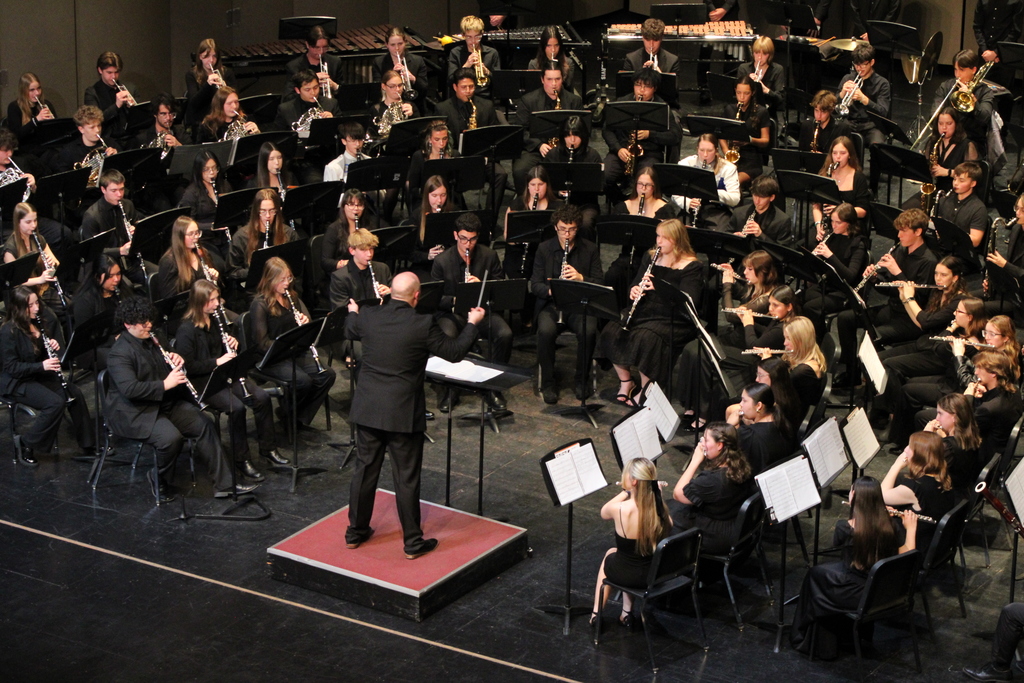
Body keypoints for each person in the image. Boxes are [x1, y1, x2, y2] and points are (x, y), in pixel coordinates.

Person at [344, 272, 485, 558]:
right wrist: (472, 323)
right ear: (416, 296)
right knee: (406, 477)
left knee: (364, 470)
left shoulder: (368, 316)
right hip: (402, 412)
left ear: (390, 293)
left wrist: (353, 311)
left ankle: (355, 532)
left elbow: (351, 329)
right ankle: (412, 542)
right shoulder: (422, 323)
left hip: (369, 408)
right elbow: (454, 352)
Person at [105, 296, 257, 503]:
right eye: (143, 322)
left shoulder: (155, 336)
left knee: (204, 423)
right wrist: (165, 384)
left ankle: (225, 485)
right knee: (170, 439)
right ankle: (158, 477)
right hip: (136, 411)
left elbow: (170, 359)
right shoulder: (119, 353)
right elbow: (129, 389)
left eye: (149, 320)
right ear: (128, 324)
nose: (149, 325)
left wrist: (177, 358)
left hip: (165, 402)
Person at [790, 477, 918, 658]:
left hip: (859, 595)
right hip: (883, 592)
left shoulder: (845, 528)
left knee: (815, 579)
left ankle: (811, 640)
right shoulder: (891, 526)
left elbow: (839, 547)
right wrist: (911, 528)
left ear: (855, 497)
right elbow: (908, 553)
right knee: (818, 574)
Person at [175, 280, 283, 481]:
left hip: (226, 374)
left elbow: (228, 347)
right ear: (199, 302)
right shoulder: (186, 330)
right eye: (212, 300)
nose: (217, 304)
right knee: (236, 408)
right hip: (204, 382)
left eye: (217, 298)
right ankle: (241, 459)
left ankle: (268, 449)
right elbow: (188, 366)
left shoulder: (217, 319)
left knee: (262, 397)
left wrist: (234, 342)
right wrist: (217, 362)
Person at [595, 218, 705, 403]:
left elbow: (689, 301)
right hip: (646, 308)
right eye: (658, 236)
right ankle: (626, 382)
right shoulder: (651, 257)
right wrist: (634, 289)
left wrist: (658, 288)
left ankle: (647, 390)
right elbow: (636, 282)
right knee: (611, 330)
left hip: (673, 316)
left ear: (677, 240)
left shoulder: (692, 266)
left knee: (646, 339)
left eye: (664, 238)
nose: (659, 241)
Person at [835, 209, 938, 385]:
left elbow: (920, 299)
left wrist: (897, 272)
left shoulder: (928, 261)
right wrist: (875, 278)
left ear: (918, 232)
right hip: (892, 309)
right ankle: (851, 373)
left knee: (869, 338)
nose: (899, 235)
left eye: (903, 231)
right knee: (846, 318)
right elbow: (889, 289)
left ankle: (870, 383)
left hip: (910, 320)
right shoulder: (900, 250)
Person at [0, 286, 94, 467]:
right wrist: (42, 365)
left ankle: (88, 444)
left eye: (37, 303)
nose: (36, 308)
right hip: (16, 381)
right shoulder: (8, 331)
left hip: (37, 375)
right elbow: (11, 367)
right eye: (30, 305)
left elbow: (37, 355)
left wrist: (50, 346)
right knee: (54, 403)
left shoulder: (37, 322)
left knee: (74, 392)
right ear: (19, 308)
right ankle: (26, 443)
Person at [432, 212, 510, 412]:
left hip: (481, 311)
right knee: (447, 335)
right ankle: (450, 389)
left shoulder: (489, 256)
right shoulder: (442, 261)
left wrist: (481, 286)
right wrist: (458, 298)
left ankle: (493, 387)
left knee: (504, 334)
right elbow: (435, 298)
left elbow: (500, 288)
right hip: (453, 314)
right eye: (463, 238)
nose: (468, 244)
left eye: (473, 239)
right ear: (455, 235)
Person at [249, 257, 336, 428]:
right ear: (270, 280)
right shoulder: (260, 304)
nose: (287, 283)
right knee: (302, 381)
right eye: (282, 279)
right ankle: (290, 415)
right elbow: (262, 343)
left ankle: (294, 415)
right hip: (272, 357)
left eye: (288, 278)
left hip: (294, 351)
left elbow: (308, 326)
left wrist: (305, 323)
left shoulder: (292, 297)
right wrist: (283, 345)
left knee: (327, 375)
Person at [531, 205, 603, 404]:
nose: (567, 235)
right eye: (563, 229)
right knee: (545, 331)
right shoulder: (544, 249)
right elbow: (535, 285)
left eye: (571, 230)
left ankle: (582, 380)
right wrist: (552, 290)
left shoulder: (590, 249)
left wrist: (581, 278)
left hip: (580, 305)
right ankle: (548, 382)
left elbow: (599, 283)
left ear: (577, 228)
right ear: (555, 227)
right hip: (551, 305)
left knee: (589, 331)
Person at [592, 457, 673, 628]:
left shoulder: (620, 509)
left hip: (627, 574)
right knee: (629, 557)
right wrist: (658, 496)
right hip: (653, 575)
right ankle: (626, 613)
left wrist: (625, 492)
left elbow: (604, 512)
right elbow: (670, 526)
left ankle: (596, 614)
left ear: (634, 481)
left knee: (611, 554)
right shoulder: (659, 511)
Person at [601, 67, 682, 204]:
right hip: (623, 152)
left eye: (647, 86)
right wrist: (618, 149)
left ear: (654, 88)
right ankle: (620, 202)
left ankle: (641, 206)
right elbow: (606, 130)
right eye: (638, 85)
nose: (641, 90)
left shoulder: (662, 107)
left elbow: (675, 135)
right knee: (605, 175)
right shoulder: (621, 103)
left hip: (650, 154)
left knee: (646, 180)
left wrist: (650, 134)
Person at [670, 423, 754, 552]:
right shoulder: (741, 463)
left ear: (719, 445)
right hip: (732, 522)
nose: (701, 443)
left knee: (665, 515)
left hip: (714, 535)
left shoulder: (712, 480)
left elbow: (678, 494)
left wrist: (695, 461)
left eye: (706, 439)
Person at [433, 70, 506, 210]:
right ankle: (461, 212)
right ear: (455, 87)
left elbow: (494, 135)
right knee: (448, 177)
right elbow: (441, 139)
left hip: (481, 157)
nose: (468, 91)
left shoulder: (486, 105)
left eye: (471, 87)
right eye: (464, 87)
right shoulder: (443, 108)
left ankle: (490, 216)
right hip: (456, 158)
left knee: (500, 174)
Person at [513, 65, 583, 194]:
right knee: (520, 170)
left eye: (557, 79)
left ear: (563, 79)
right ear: (542, 79)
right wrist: (539, 145)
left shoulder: (574, 101)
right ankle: (525, 201)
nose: (554, 84)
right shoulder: (528, 100)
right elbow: (520, 130)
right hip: (536, 150)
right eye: (549, 79)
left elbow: (582, 130)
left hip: (565, 149)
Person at [882, 430, 956, 551]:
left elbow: (881, 495)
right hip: (937, 543)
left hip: (919, 546)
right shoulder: (944, 477)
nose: (905, 450)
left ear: (919, 455)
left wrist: (896, 465)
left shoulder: (914, 487)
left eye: (910, 447)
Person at [804, 203, 870, 334]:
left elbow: (850, 276)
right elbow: (821, 267)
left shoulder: (858, 244)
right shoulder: (831, 236)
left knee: (810, 307)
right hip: (827, 284)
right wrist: (815, 258)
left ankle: (819, 340)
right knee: (800, 298)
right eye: (832, 221)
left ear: (849, 223)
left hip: (844, 292)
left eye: (838, 222)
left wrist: (830, 256)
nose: (833, 225)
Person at [3, 202, 68, 317]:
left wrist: (52, 266)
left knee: (69, 306)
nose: (33, 225)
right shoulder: (10, 249)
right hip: (25, 297)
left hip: (42, 290)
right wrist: (40, 279)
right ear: (18, 222)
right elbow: (15, 283)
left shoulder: (38, 239)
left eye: (35, 220)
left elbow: (56, 264)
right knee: (51, 316)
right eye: (28, 222)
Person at [71, 254, 133, 370]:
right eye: (110, 276)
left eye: (118, 274)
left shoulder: (121, 291)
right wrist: (113, 340)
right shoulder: (85, 300)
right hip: (93, 349)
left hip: (122, 340)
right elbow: (85, 338)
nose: (116, 279)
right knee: (125, 356)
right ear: (97, 277)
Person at [543, 115, 603, 236]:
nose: (572, 140)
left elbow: (601, 187)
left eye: (576, 135)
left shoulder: (592, 155)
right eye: (568, 135)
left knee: (585, 224)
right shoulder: (553, 155)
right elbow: (544, 182)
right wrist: (558, 192)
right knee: (548, 222)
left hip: (585, 204)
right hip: (558, 202)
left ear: (583, 136)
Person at [503, 165, 564, 279]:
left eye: (540, 184)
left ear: (547, 185)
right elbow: (507, 236)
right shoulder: (516, 205)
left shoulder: (558, 206)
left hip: (548, 251)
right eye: (532, 184)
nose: (536, 189)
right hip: (521, 250)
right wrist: (519, 239)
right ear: (527, 186)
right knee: (514, 270)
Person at [671, 133, 740, 232]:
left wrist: (712, 192)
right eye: (702, 150)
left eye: (710, 151)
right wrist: (688, 203)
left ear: (716, 150)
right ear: (697, 149)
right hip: (691, 207)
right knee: (677, 232)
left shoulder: (728, 168)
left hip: (717, 210)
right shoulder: (686, 164)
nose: (705, 155)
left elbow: (735, 199)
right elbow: (675, 193)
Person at [934, 50, 996, 157]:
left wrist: (972, 99)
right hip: (947, 136)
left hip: (971, 140)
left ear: (973, 70)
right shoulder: (946, 87)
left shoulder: (985, 92)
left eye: (961, 70)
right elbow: (934, 114)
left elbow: (984, 118)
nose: (957, 74)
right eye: (955, 69)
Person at [227, 189, 298, 283]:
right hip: (255, 286)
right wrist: (256, 271)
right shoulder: (241, 237)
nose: (268, 216)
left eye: (272, 211)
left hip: (282, 284)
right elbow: (232, 272)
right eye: (263, 211)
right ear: (256, 211)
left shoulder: (289, 233)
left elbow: (296, 266)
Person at [974, 0, 1024, 126]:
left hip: (1005, 57)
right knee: (981, 93)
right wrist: (985, 50)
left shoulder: (1016, 1)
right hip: (985, 55)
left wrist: (996, 53)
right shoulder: (983, 1)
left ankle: (1003, 131)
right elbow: (977, 26)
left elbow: (1015, 31)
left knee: (1005, 97)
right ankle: (981, 129)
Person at [152, 216, 225, 301]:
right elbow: (169, 299)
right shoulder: (169, 262)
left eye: (197, 232)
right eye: (191, 234)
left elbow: (214, 289)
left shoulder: (203, 253)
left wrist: (214, 279)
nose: (196, 237)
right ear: (180, 236)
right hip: (186, 306)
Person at [924, 393, 983, 497]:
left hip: (946, 494)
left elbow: (924, 469)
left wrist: (926, 436)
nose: (937, 418)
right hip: (963, 488)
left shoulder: (948, 446)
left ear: (954, 417)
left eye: (940, 413)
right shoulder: (970, 434)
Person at [177, 151, 231, 258]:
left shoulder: (224, 186)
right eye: (206, 169)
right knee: (218, 264)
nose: (212, 173)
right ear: (199, 171)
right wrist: (211, 226)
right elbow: (187, 223)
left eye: (214, 168)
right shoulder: (191, 193)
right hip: (204, 240)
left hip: (224, 237)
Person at [321, 190, 378, 290]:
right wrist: (349, 264)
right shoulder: (333, 229)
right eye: (351, 204)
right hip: (342, 278)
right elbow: (325, 262)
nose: (356, 208)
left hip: (365, 274)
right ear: (343, 206)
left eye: (359, 205)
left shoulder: (369, 227)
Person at [837, 44, 891, 148]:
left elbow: (883, 112)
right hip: (849, 123)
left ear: (872, 62)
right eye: (856, 64)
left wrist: (864, 99)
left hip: (871, 125)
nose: (859, 68)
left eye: (863, 65)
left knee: (878, 146)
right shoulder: (848, 78)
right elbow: (833, 107)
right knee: (834, 139)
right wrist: (842, 94)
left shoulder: (882, 83)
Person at [721, 76, 770, 186]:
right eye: (738, 93)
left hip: (752, 160)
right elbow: (721, 135)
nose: (742, 97)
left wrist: (749, 140)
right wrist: (727, 152)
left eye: (746, 93)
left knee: (733, 182)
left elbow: (765, 140)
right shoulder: (729, 109)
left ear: (752, 92)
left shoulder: (761, 112)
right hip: (732, 155)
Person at [405, 175, 456, 281]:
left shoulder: (453, 212)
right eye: (434, 195)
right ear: (426, 196)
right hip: (425, 265)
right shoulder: (417, 216)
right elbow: (410, 253)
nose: (439, 201)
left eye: (443, 195)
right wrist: (427, 256)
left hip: (449, 262)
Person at [812, 136, 872, 225]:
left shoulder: (858, 178)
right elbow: (816, 206)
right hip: (827, 223)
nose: (838, 157)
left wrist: (839, 211)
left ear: (849, 155)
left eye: (843, 153)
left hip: (849, 225)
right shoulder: (825, 174)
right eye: (834, 153)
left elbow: (862, 211)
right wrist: (818, 224)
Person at [329, 228, 391, 310]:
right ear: (352, 251)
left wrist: (389, 294)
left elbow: (398, 303)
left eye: (371, 248)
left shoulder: (383, 269)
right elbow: (340, 311)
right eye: (363, 250)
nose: (369, 254)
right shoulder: (340, 277)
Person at [184, 38, 236, 130]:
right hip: (201, 120)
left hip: (222, 120)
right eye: (207, 56)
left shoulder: (227, 73)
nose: (211, 60)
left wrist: (226, 90)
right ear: (200, 57)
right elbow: (193, 103)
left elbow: (235, 98)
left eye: (214, 56)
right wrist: (207, 85)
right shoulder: (191, 74)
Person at [49, 105, 118, 175]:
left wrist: (116, 157)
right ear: (81, 129)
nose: (97, 130)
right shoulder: (69, 151)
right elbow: (63, 176)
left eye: (99, 125)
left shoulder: (110, 143)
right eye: (92, 127)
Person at [934, 161, 988, 249]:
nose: (956, 183)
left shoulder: (979, 209)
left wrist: (949, 233)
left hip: (961, 251)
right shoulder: (945, 200)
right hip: (941, 246)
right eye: (955, 179)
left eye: (961, 180)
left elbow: (975, 241)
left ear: (973, 183)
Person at [84, 51, 137, 139]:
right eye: (109, 72)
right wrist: (116, 106)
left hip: (131, 137)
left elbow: (138, 119)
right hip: (108, 139)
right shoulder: (92, 92)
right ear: (100, 70)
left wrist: (132, 108)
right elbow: (95, 121)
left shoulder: (130, 88)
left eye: (116, 72)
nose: (113, 77)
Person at [406, 122, 460, 207]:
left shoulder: (455, 155)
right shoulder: (419, 157)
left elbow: (460, 185)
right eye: (437, 139)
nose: (442, 143)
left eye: (444, 139)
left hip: (449, 199)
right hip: (426, 200)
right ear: (430, 139)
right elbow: (413, 187)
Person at [729, 176, 794, 246]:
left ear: (772, 197)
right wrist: (734, 237)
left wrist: (760, 235)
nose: (757, 201)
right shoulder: (738, 212)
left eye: (762, 197)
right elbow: (726, 237)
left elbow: (781, 250)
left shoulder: (782, 220)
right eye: (755, 195)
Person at [446, 15, 500, 98]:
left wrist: (487, 72)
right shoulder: (456, 52)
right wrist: (466, 66)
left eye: (477, 36)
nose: (473, 41)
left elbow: (499, 82)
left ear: (482, 34)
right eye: (469, 37)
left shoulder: (492, 53)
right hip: (462, 97)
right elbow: (450, 81)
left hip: (484, 97)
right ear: (463, 35)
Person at [284, 25, 342, 101]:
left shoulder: (335, 62)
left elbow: (345, 94)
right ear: (307, 45)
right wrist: (312, 79)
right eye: (317, 47)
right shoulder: (293, 67)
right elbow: (288, 98)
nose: (321, 52)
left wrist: (334, 86)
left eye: (325, 47)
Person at [6, 72, 57, 156]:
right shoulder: (14, 107)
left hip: (45, 147)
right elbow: (16, 136)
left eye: (38, 88)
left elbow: (55, 134)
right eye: (32, 90)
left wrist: (52, 123)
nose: (37, 93)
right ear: (23, 91)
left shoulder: (46, 104)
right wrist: (36, 120)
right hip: (27, 151)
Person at [372, 27, 429, 102]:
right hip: (390, 104)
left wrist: (413, 79)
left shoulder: (418, 61)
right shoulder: (379, 62)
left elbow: (424, 90)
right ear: (387, 45)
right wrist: (392, 75)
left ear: (405, 42)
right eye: (392, 45)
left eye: (400, 44)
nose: (397, 48)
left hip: (413, 103)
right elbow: (377, 91)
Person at [275, 69, 340, 134]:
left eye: (315, 88)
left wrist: (333, 121)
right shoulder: (285, 109)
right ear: (297, 90)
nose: (313, 93)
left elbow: (342, 133)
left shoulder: (331, 104)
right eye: (307, 89)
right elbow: (279, 136)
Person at [736, 37, 785, 115]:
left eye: (764, 54)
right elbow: (737, 94)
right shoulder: (743, 68)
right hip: (746, 111)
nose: (759, 57)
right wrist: (747, 82)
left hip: (768, 112)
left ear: (770, 55)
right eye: (757, 53)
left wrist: (764, 89)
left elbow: (780, 99)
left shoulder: (777, 70)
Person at [528, 26, 576, 92]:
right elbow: (532, 91)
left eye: (556, 45)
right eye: (549, 46)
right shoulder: (534, 65)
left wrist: (564, 74)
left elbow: (567, 91)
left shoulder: (568, 63)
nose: (553, 50)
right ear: (543, 46)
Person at [323, 121, 369, 186]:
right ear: (344, 141)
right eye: (353, 140)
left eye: (360, 140)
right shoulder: (333, 167)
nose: (358, 144)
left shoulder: (369, 161)